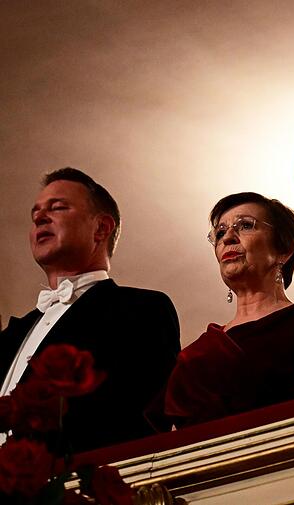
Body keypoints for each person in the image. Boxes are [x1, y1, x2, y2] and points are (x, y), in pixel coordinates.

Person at [0, 167, 180, 452]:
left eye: (57, 207)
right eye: (35, 214)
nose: (39, 218)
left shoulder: (141, 310)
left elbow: (134, 417)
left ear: (101, 228)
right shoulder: (12, 335)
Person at [162, 192, 294, 427]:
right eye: (220, 232)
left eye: (245, 225)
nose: (228, 238)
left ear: (284, 250)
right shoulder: (194, 356)